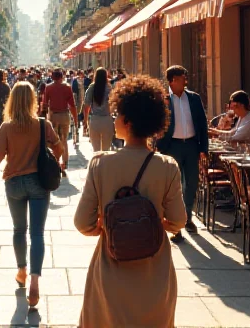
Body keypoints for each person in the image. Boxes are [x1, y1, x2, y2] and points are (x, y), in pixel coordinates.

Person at [74, 75, 186, 328]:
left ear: (126, 121)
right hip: (155, 271)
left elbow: (82, 222)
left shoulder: (101, 164)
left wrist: (104, 227)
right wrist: (157, 223)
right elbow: (179, 220)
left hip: (111, 270)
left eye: (117, 115)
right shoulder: (168, 166)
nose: (114, 119)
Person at [0, 82, 63, 307]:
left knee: (19, 229)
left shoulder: (6, 127)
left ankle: (21, 270)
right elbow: (59, 148)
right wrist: (49, 153)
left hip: (13, 182)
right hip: (38, 182)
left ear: (12, 100)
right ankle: (34, 281)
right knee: (37, 234)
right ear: (33, 100)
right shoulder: (42, 124)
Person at [155, 65, 209, 243]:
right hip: (172, 146)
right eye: (181, 78)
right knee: (174, 186)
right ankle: (175, 226)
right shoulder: (163, 100)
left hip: (192, 145)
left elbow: (202, 124)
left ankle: (187, 218)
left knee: (192, 183)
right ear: (172, 81)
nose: (185, 81)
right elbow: (158, 124)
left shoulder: (194, 98)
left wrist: (204, 149)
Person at [40, 68, 77, 177]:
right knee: (64, 140)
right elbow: (72, 105)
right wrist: (75, 119)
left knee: (53, 142)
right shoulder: (67, 87)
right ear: (62, 77)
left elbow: (45, 105)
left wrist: (43, 119)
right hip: (65, 115)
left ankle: (56, 162)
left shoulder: (48, 88)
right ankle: (64, 164)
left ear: (52, 77)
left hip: (53, 116)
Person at [83, 68, 114, 152]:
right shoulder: (110, 88)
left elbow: (86, 105)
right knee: (106, 151)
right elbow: (114, 104)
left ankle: (97, 165)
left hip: (95, 120)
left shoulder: (91, 87)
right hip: (107, 120)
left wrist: (85, 121)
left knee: (96, 151)